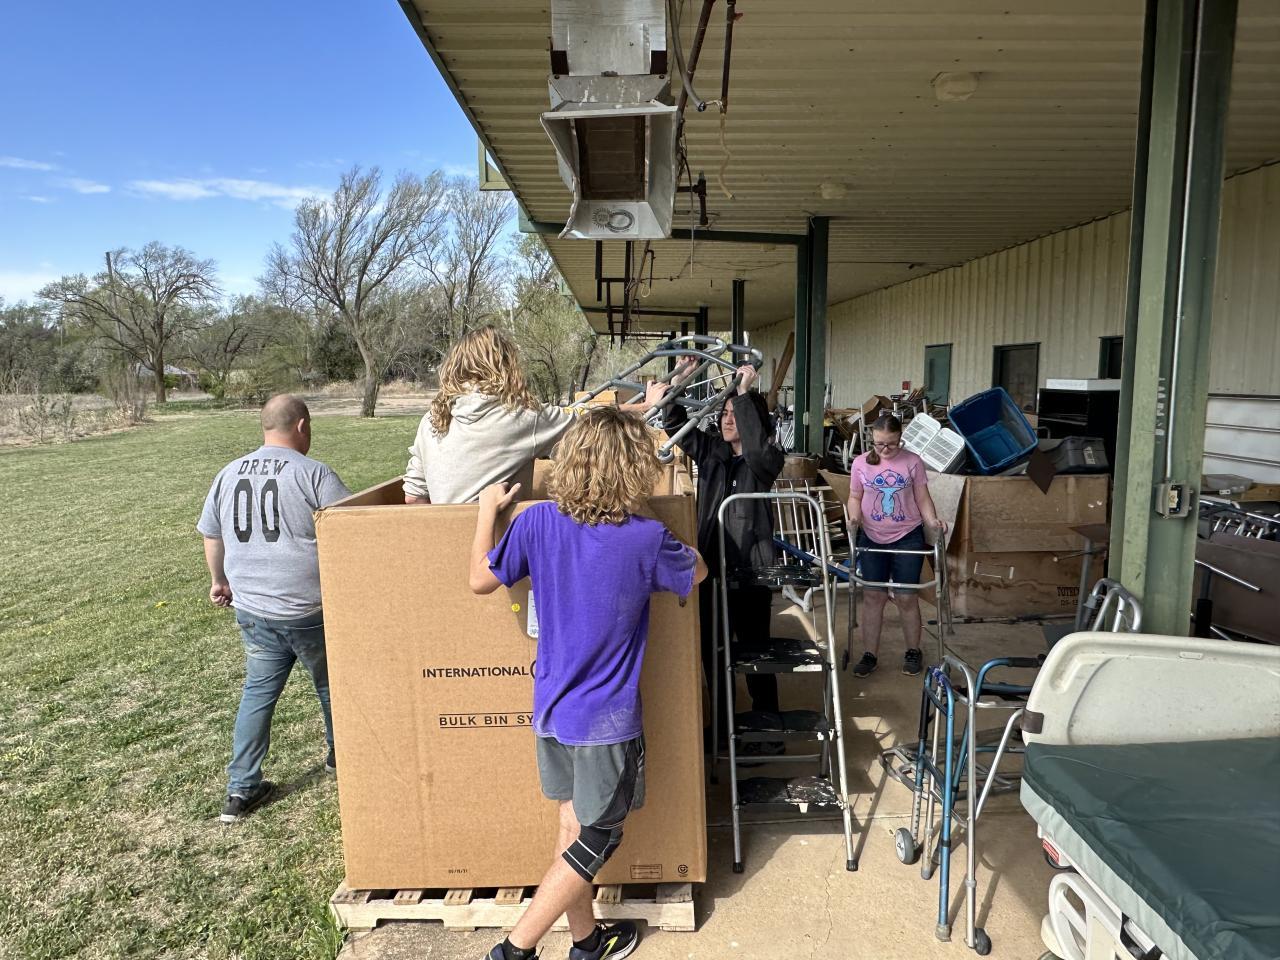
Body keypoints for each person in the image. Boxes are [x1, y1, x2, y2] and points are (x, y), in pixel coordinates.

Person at [469, 406, 707, 960]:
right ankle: (514, 950)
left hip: (551, 709)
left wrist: (486, 511)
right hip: (606, 721)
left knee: (570, 825)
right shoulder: (646, 538)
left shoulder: (536, 522)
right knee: (599, 837)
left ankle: (587, 942)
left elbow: (480, 578)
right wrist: (649, 512)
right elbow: (696, 572)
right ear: (633, 470)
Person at [197, 394, 352, 823]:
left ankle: (241, 789)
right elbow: (352, 529)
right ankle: (342, 755)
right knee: (331, 685)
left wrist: (219, 580)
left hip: (252, 608)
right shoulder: (314, 474)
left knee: (258, 693)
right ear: (302, 426)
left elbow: (212, 533)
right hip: (308, 610)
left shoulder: (228, 473)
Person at [648, 361, 785, 749]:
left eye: (735, 414)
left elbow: (756, 449)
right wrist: (678, 383)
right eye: (723, 413)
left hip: (751, 574)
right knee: (714, 653)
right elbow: (675, 426)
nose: (727, 420)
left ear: (752, 420)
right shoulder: (712, 452)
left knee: (756, 656)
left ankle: (768, 733)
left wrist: (743, 393)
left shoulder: (767, 459)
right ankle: (724, 729)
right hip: (713, 570)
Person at [403, 325, 575, 504]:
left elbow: (413, 497)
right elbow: (583, 426)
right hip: (506, 523)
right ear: (507, 366)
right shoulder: (523, 417)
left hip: (442, 522)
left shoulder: (430, 420)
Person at [846, 413, 945, 678]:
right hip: (871, 536)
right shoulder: (860, 463)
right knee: (873, 596)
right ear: (872, 439)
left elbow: (922, 497)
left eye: (891, 444)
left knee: (906, 597)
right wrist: (854, 518)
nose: (885, 449)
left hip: (907, 535)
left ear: (901, 439)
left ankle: (913, 651)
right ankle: (869, 654)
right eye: (879, 444)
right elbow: (855, 496)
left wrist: (932, 521)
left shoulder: (913, 462)